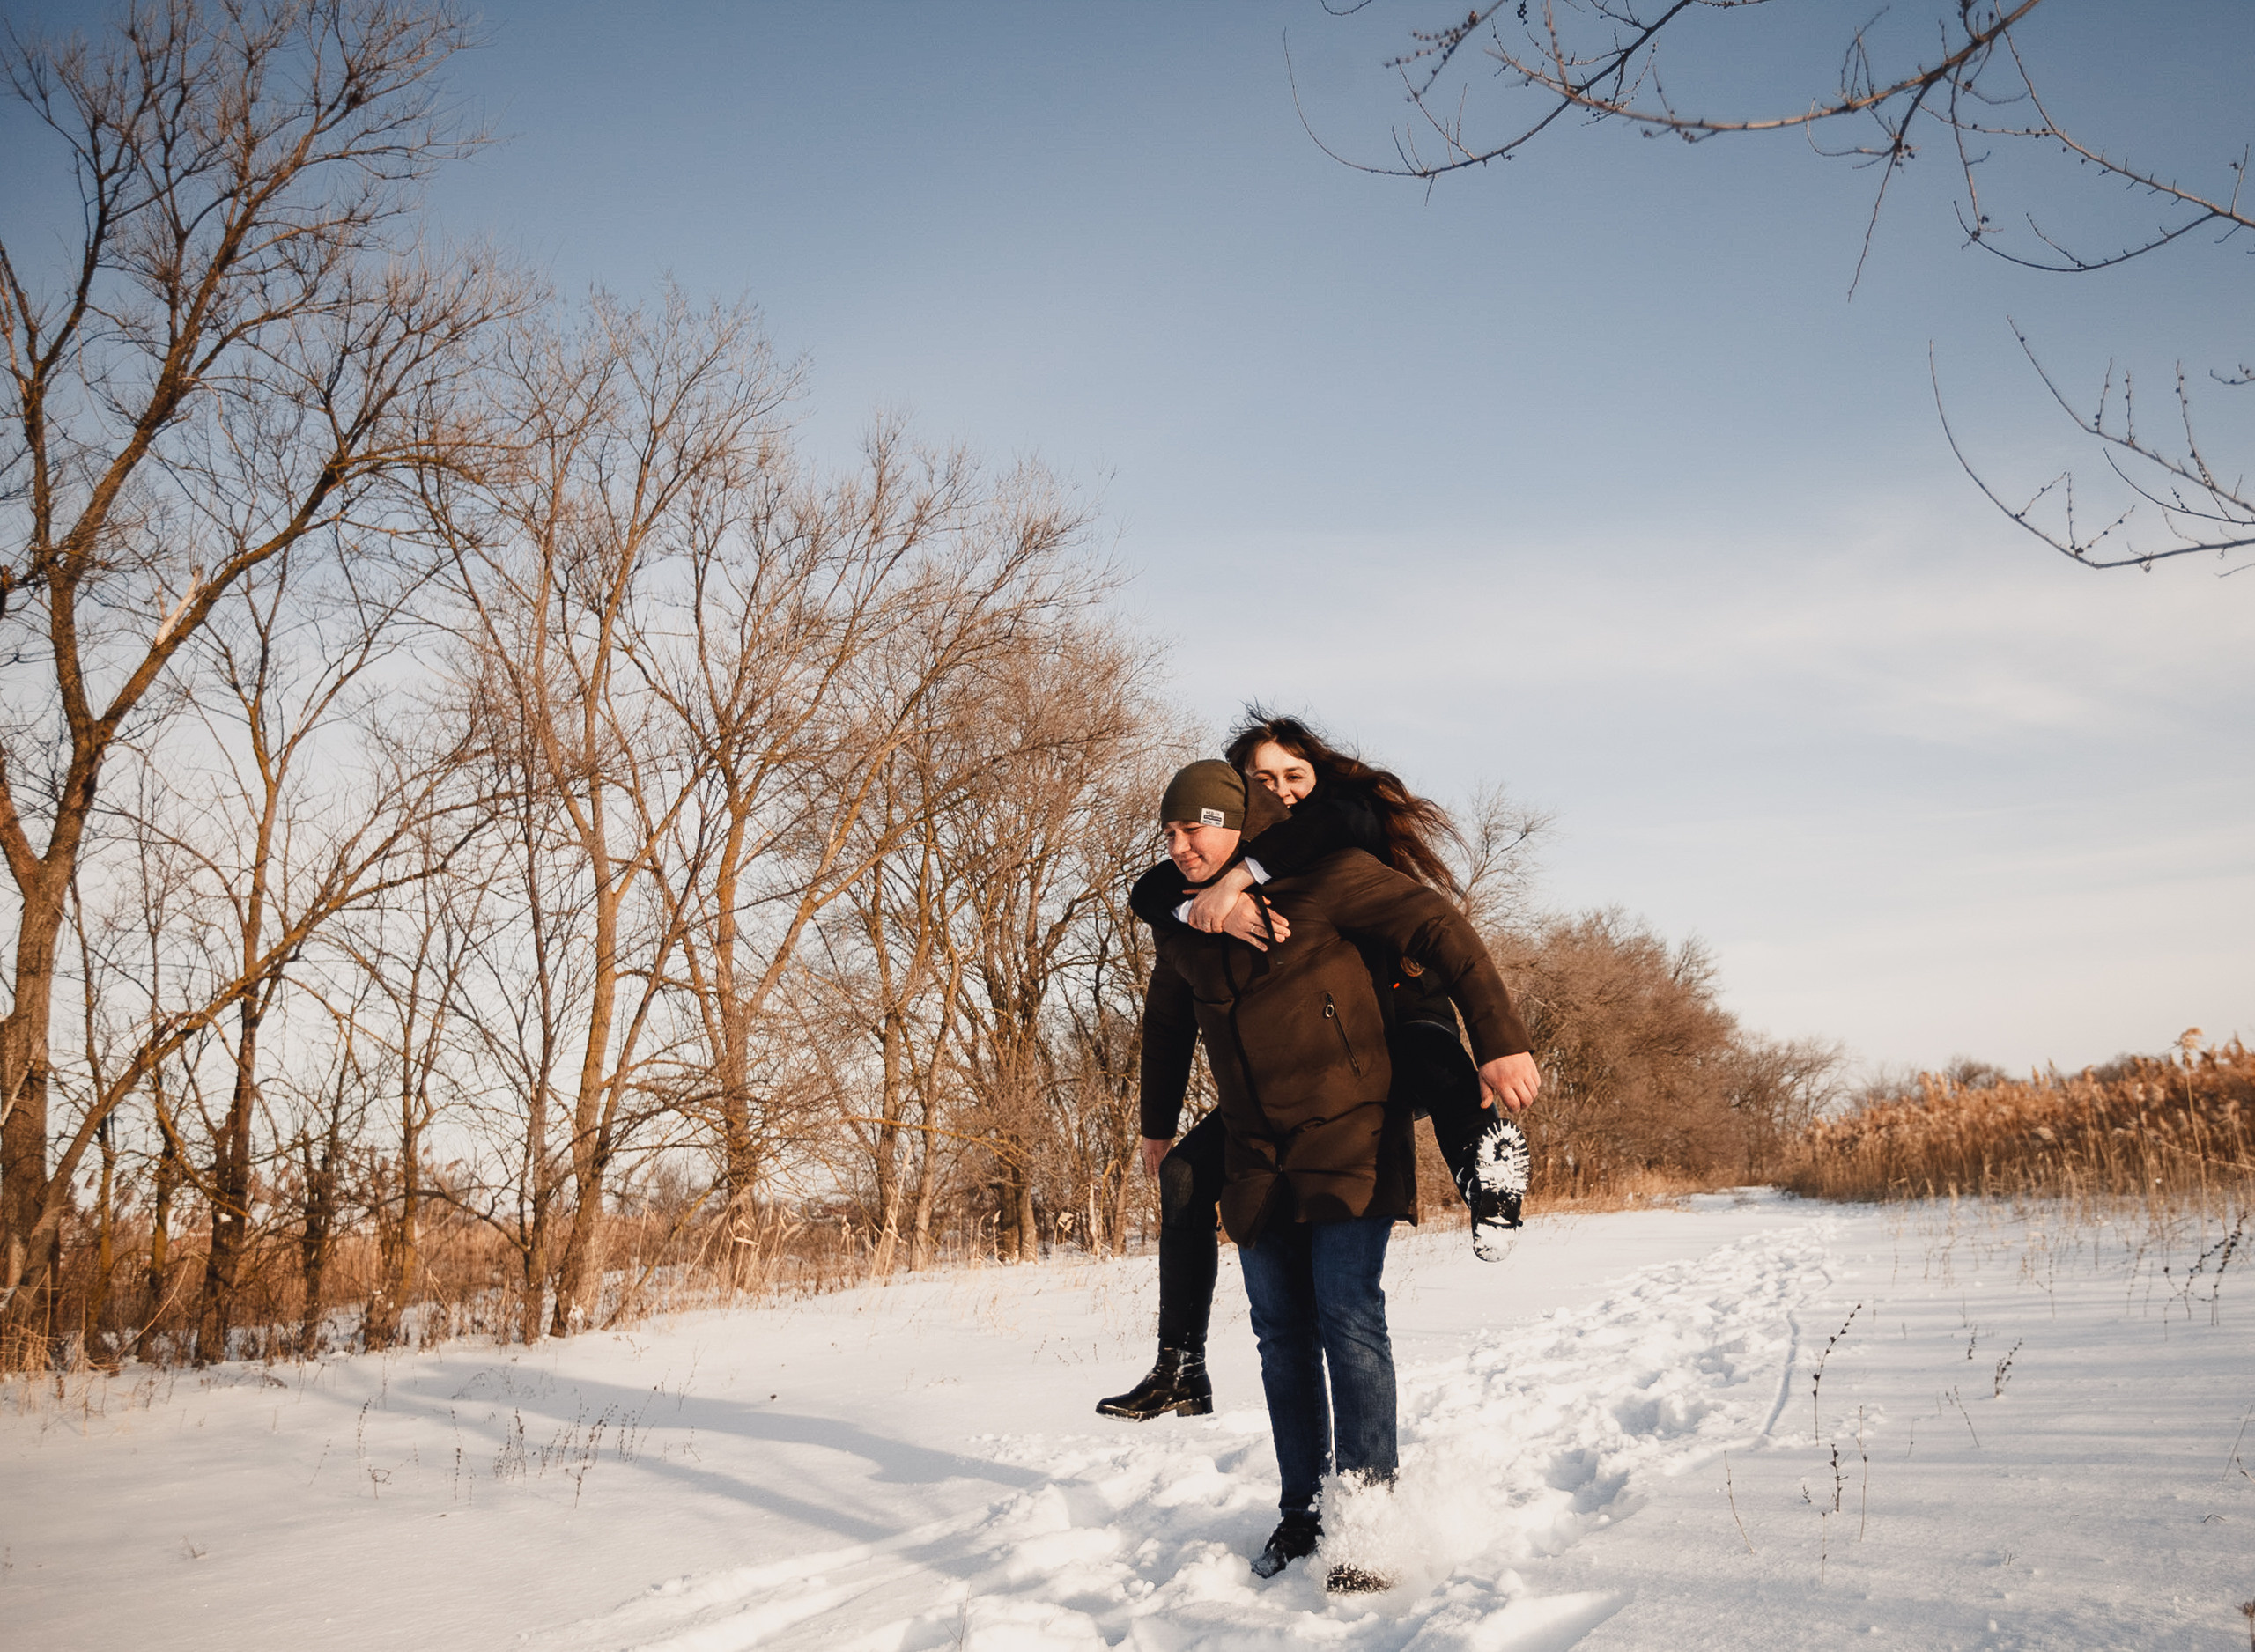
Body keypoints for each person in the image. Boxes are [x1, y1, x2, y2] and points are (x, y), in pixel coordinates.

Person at [1133, 758, 1534, 1588]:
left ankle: (1370, 1523)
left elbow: (1443, 931)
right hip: (1255, 1151)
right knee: (1281, 1337)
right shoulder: (1185, 921)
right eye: (1168, 832)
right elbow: (1166, 1023)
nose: (1179, 846)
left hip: (1350, 1129)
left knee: (1349, 1320)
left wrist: (1500, 1040)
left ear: (1237, 825)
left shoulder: (1328, 878)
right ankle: (1303, 1515)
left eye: (1193, 828)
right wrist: (1157, 1127)